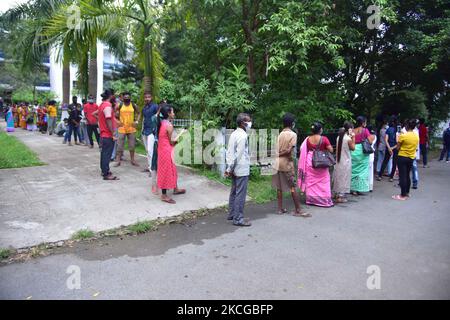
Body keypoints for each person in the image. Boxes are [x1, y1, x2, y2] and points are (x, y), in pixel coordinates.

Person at [271, 113, 308, 216]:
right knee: (292, 186)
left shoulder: (280, 134)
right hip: (287, 164)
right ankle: (298, 210)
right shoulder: (293, 134)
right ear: (292, 123)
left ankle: (280, 209)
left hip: (277, 163)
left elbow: (276, 150)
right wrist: (280, 153)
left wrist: (277, 154)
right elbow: (288, 151)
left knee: (279, 187)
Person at [298, 121, 334, 207]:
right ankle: (324, 200)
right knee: (324, 180)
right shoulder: (324, 139)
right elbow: (331, 150)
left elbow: (302, 149)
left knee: (311, 180)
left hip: (310, 161)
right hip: (321, 162)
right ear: (320, 130)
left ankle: (311, 200)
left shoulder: (307, 139)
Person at [225, 113, 252, 226]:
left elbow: (230, 152)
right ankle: (238, 219)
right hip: (240, 168)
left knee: (234, 192)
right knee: (240, 194)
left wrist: (229, 167)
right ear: (243, 123)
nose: (250, 123)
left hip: (234, 167)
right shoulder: (243, 136)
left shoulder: (234, 134)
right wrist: (231, 168)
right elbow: (239, 154)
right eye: (248, 121)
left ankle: (232, 214)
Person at [157, 104, 186, 204]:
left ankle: (175, 188)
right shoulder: (169, 126)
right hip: (167, 151)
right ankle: (164, 195)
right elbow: (172, 142)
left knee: (172, 170)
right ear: (169, 114)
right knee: (167, 171)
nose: (174, 113)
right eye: (172, 112)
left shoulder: (162, 123)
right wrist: (181, 134)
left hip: (162, 150)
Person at [392, 119, 420, 200]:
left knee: (402, 176)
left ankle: (402, 195)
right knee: (407, 175)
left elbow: (397, 148)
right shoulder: (416, 136)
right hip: (411, 157)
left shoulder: (403, 135)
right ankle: (407, 193)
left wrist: (398, 139)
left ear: (407, 126)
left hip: (402, 157)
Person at [95, 89, 119, 180]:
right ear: (111, 96)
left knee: (104, 153)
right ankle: (106, 174)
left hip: (103, 134)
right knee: (107, 155)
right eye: (114, 95)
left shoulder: (102, 105)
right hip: (107, 135)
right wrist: (113, 133)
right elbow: (108, 119)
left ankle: (104, 170)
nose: (115, 97)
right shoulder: (108, 106)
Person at [350, 116, 375, 195]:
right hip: (362, 151)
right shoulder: (365, 130)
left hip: (353, 151)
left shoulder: (352, 130)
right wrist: (372, 137)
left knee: (353, 169)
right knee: (362, 171)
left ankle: (352, 188)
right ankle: (359, 188)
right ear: (363, 123)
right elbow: (370, 141)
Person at [332, 121, 355, 203]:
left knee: (338, 177)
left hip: (339, 161)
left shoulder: (339, 137)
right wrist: (353, 137)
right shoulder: (348, 139)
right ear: (349, 129)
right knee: (344, 178)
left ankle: (336, 194)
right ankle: (341, 196)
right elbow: (353, 148)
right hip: (346, 161)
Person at [115, 92, 140, 166]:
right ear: (123, 98)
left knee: (132, 145)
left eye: (128, 97)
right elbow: (113, 113)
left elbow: (139, 113)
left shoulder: (133, 105)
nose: (126, 99)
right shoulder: (120, 105)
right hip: (122, 128)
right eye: (125, 97)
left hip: (131, 128)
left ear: (130, 98)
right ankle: (118, 161)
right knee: (119, 145)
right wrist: (117, 121)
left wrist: (137, 121)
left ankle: (132, 160)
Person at [141, 92, 159, 173]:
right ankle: (149, 167)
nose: (147, 99)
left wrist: (156, 130)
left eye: (148, 97)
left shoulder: (155, 106)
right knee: (147, 151)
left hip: (152, 131)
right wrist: (142, 130)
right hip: (145, 131)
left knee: (150, 150)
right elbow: (144, 119)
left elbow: (158, 118)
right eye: (145, 97)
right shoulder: (144, 108)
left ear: (151, 98)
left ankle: (153, 169)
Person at [377, 116, 398, 181]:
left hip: (388, 147)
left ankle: (380, 175)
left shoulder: (388, 129)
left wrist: (389, 148)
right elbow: (398, 141)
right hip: (395, 148)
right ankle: (391, 177)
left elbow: (386, 140)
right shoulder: (396, 130)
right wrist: (392, 148)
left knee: (385, 161)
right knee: (394, 162)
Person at [367, 125, 377, 191]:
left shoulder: (367, 136)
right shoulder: (375, 136)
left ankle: (366, 185)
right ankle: (370, 186)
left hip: (366, 153)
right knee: (371, 170)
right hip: (372, 153)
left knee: (366, 170)